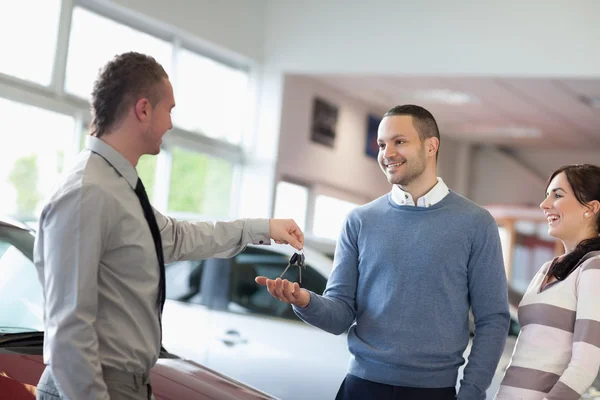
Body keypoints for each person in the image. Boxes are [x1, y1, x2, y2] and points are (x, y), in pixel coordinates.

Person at [33, 51, 304, 400]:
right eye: (170, 110)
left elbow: (175, 237)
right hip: (90, 386)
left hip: (124, 384)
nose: (171, 124)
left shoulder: (117, 186)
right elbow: (68, 329)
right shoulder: (88, 192)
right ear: (143, 110)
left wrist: (262, 227)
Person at [256, 104, 510, 400]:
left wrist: (470, 394)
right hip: (360, 387)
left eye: (399, 142)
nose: (387, 153)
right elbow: (340, 315)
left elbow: (493, 320)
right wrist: (303, 300)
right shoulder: (360, 221)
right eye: (381, 144)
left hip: (433, 392)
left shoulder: (475, 223)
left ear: (431, 146)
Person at [496, 164, 600, 400]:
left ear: (591, 208)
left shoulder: (594, 268)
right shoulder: (547, 268)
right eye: (546, 196)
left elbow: (585, 366)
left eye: (558, 195)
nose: (544, 205)